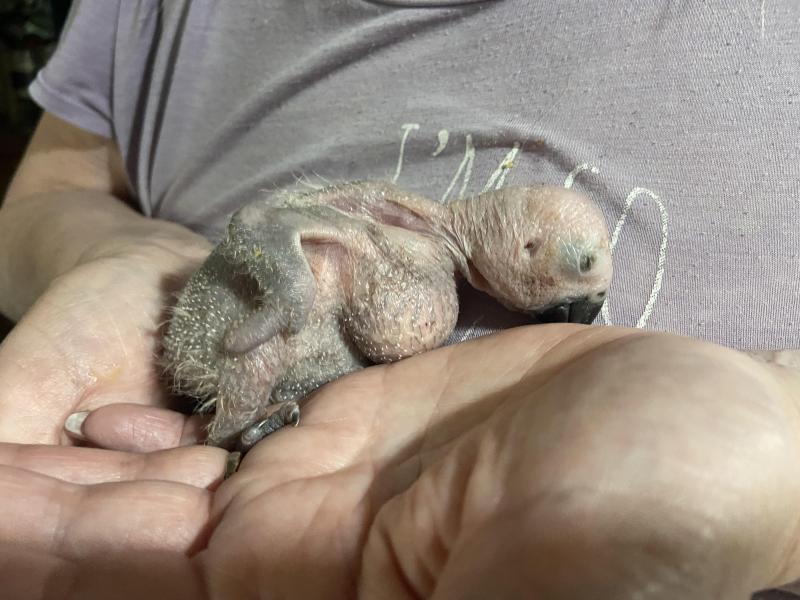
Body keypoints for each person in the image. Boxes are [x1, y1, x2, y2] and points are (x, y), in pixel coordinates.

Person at [1, 1, 799, 598]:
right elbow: (54, 189)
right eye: (573, 276)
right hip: (219, 413)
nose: (580, 301)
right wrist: (129, 256)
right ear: (518, 250)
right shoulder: (398, 233)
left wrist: (782, 451)